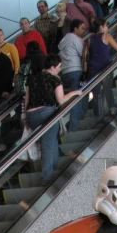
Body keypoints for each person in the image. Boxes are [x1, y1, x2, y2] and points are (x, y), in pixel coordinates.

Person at [24, 54, 81, 184]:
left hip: (31, 115)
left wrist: (26, 119)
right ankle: (47, 177)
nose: (60, 69)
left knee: (52, 139)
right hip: (47, 114)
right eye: (59, 67)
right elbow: (60, 100)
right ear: (52, 67)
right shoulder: (55, 79)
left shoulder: (32, 79)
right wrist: (74, 92)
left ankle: (54, 167)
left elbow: (26, 101)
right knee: (48, 144)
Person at [86, 18, 117, 117]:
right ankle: (112, 109)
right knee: (107, 89)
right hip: (104, 67)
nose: (107, 27)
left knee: (97, 94)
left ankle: (98, 116)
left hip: (93, 69)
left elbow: (87, 56)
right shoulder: (106, 36)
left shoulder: (89, 39)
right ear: (101, 27)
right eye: (106, 25)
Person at [59, 19, 88, 132]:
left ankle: (75, 124)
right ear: (75, 29)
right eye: (82, 28)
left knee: (72, 98)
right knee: (76, 98)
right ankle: (74, 128)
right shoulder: (75, 39)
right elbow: (83, 54)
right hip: (75, 70)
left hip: (65, 73)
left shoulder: (64, 40)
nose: (84, 30)